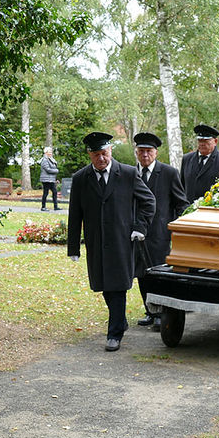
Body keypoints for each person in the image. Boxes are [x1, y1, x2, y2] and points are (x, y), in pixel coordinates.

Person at [67, 132, 155, 351]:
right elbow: (75, 214)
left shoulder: (127, 173)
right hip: (97, 242)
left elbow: (149, 202)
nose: (101, 159)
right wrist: (73, 247)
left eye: (104, 153)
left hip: (121, 241)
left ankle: (114, 333)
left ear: (111, 151)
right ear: (89, 155)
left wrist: (139, 227)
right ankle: (120, 321)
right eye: (96, 155)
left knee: (117, 286)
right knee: (104, 285)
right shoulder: (81, 178)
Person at [132, 132, 188, 328]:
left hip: (160, 234)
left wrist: (179, 229)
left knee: (160, 275)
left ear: (155, 153)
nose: (145, 155)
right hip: (136, 234)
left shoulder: (169, 173)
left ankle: (162, 314)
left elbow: (181, 203)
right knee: (142, 274)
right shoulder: (131, 173)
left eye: (148, 151)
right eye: (141, 151)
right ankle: (149, 311)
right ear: (136, 153)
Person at [180, 124, 219, 202]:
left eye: (206, 141)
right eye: (200, 140)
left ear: (215, 141)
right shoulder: (187, 159)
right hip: (190, 210)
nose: (202, 144)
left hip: (213, 211)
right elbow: (181, 187)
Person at [38, 146, 61, 211]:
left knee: (55, 192)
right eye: (49, 152)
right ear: (46, 153)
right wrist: (56, 170)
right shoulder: (44, 160)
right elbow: (48, 169)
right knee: (46, 193)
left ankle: (56, 207)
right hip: (46, 180)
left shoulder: (51, 159)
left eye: (51, 152)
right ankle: (43, 207)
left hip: (51, 179)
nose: (51, 153)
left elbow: (52, 168)